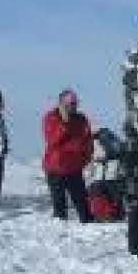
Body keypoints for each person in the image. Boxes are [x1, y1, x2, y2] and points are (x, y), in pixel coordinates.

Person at [41, 89, 94, 222]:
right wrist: (64, 123)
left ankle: (89, 228)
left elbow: (88, 140)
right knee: (60, 210)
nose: (73, 107)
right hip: (56, 168)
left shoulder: (81, 119)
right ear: (61, 104)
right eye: (70, 104)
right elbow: (52, 140)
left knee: (84, 207)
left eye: (75, 103)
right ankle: (60, 232)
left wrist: (86, 158)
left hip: (75, 167)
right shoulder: (51, 117)